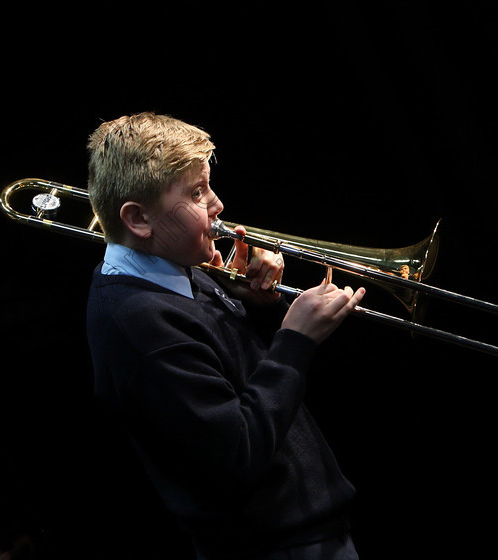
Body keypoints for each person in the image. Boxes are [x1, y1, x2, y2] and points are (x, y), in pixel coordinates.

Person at [85, 112, 365, 559]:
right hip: (272, 546)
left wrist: (255, 308)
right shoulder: (137, 320)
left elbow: (239, 377)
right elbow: (236, 454)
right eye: (197, 193)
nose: (216, 204)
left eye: (209, 185)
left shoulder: (177, 270)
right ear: (138, 219)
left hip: (306, 530)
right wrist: (296, 341)